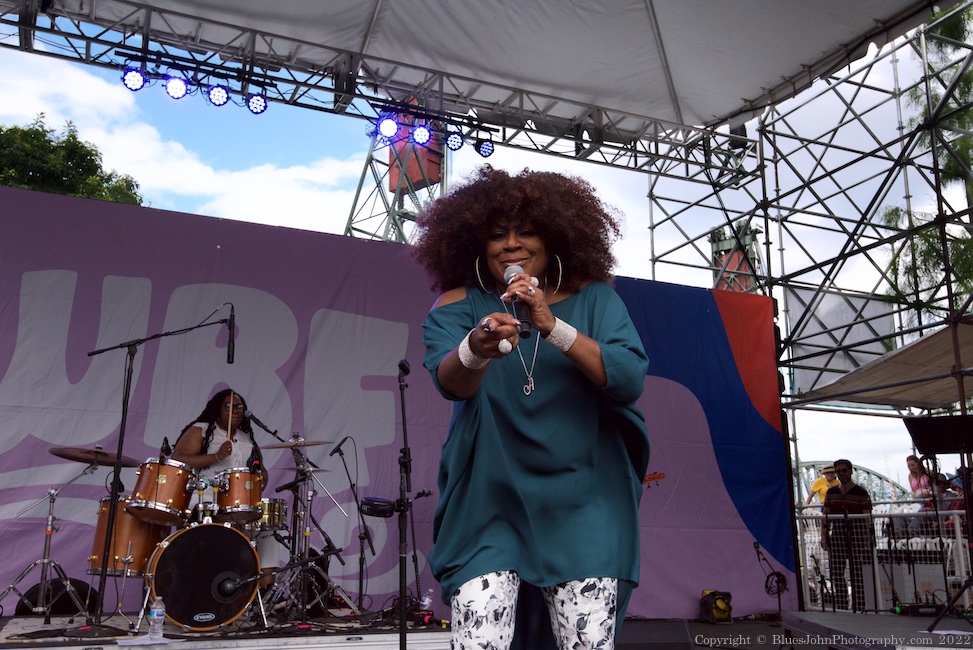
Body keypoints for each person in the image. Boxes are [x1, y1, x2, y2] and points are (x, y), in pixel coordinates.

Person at [414, 165, 650, 650]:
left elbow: (628, 379)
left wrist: (552, 326)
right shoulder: (458, 304)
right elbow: (449, 383)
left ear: (555, 237)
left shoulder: (596, 299)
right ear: (477, 243)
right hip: (489, 504)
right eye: (497, 234)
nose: (511, 245)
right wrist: (476, 346)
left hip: (583, 505)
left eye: (526, 231)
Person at [171, 388, 268, 506]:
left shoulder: (247, 438)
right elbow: (178, 459)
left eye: (239, 407)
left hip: (238, 501)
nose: (235, 411)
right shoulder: (202, 430)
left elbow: (261, 470)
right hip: (204, 498)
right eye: (229, 407)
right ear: (218, 409)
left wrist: (259, 483)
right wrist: (217, 456)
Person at [821, 459, 873, 612]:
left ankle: (859, 605)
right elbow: (825, 516)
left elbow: (867, 518)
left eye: (844, 470)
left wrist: (868, 538)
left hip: (857, 535)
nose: (841, 474)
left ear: (850, 471)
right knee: (836, 571)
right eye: (838, 471)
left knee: (857, 572)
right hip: (837, 535)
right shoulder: (831, 493)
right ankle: (842, 605)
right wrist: (824, 536)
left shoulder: (861, 492)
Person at [906, 454, 933, 535]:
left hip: (929, 500)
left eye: (913, 465)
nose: (911, 468)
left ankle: (912, 532)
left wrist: (928, 493)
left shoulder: (928, 472)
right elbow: (912, 490)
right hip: (918, 501)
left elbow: (934, 487)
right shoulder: (910, 476)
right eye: (909, 466)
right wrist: (913, 494)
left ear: (918, 463)